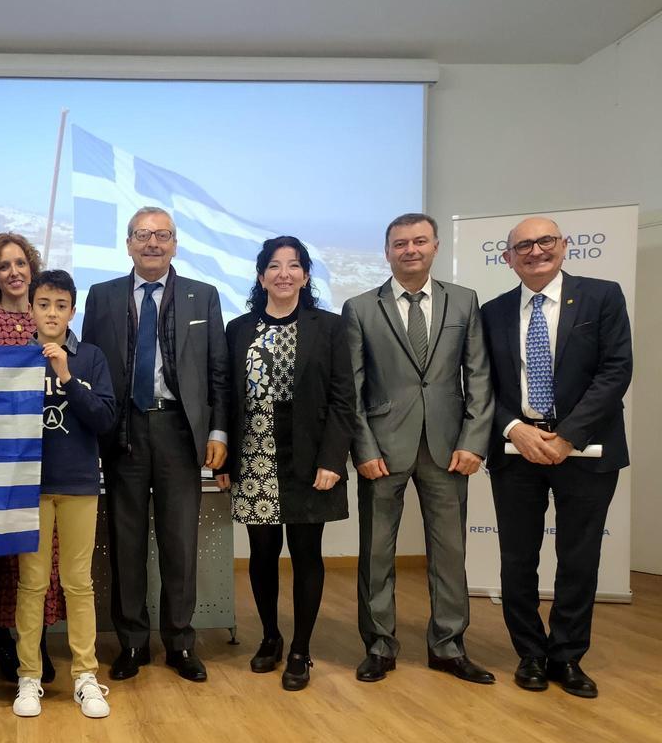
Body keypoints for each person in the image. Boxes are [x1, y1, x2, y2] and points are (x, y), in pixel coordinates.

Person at [482, 217, 632, 698]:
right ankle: (529, 653)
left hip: (586, 450)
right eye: (522, 245)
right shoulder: (492, 312)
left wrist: (566, 436)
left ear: (564, 247)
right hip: (516, 448)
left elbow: (615, 371)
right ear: (507, 258)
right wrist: (513, 427)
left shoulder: (602, 296)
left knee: (579, 558)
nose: (535, 251)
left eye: (545, 241)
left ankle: (567, 656)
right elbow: (481, 385)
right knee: (517, 559)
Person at [343, 213, 495, 684]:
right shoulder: (361, 307)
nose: (410, 250)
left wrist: (474, 441)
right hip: (382, 450)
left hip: (449, 448)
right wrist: (362, 448)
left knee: (450, 552)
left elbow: (480, 376)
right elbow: (353, 386)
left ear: (434, 247)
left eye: (419, 242)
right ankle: (380, 646)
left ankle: (449, 647)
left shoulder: (464, 301)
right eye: (400, 243)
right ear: (386, 251)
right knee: (376, 553)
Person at [81, 206, 230, 683]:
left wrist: (218, 432)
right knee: (125, 544)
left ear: (174, 244)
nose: (152, 243)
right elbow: (90, 369)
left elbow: (218, 373)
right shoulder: (101, 297)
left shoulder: (201, 296)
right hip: (122, 432)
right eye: (143, 235)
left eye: (162, 235)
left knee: (179, 542)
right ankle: (132, 644)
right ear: (127, 244)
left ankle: (181, 644)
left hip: (179, 432)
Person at [214, 237, 354, 690]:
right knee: (261, 552)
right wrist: (224, 458)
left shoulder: (329, 327)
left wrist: (334, 457)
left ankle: (301, 649)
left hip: (310, 455)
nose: (284, 274)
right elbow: (227, 397)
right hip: (255, 451)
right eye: (274, 266)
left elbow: (342, 399)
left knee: (307, 553)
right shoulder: (238, 329)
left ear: (307, 276)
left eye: (294, 266)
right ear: (260, 277)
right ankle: (271, 637)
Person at [12, 270, 118, 718]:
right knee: (32, 583)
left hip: (78, 485)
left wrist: (67, 376)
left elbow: (104, 418)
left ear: (72, 310)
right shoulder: (15, 359)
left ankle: (85, 676)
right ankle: (29, 677)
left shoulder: (91, 357)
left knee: (78, 583)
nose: (51, 313)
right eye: (43, 304)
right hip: (30, 487)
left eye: (60, 305)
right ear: (31, 308)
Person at [0, 233, 62, 684]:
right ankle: (7, 640)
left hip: (44, 455)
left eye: (21, 263)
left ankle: (39, 641)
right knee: (6, 556)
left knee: (42, 555)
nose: (14, 272)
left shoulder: (48, 315)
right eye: (4, 265)